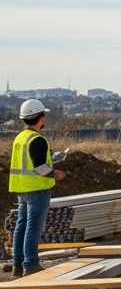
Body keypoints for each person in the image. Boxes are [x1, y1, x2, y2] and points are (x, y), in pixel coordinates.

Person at [7, 100, 68, 278]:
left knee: (21, 226)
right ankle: (31, 264)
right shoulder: (37, 139)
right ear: (41, 118)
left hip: (22, 188)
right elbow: (40, 167)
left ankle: (18, 265)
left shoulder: (20, 138)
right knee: (33, 227)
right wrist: (56, 174)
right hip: (37, 189)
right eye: (44, 115)